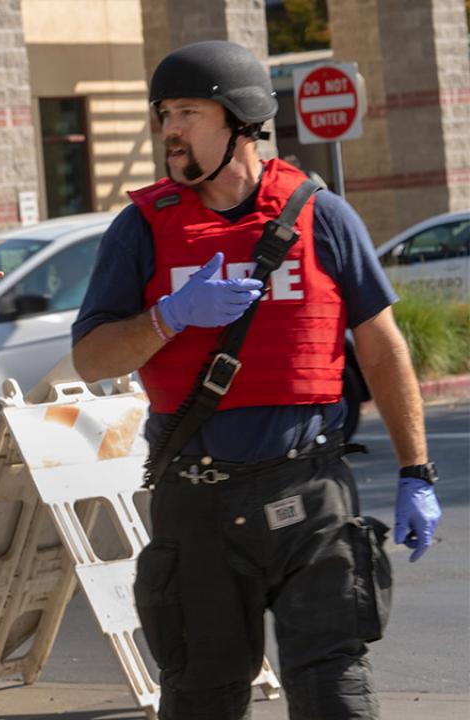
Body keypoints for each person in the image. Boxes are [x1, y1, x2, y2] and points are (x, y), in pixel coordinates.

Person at [71, 41, 441, 720]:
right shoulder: (141, 229)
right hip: (197, 502)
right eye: (163, 115)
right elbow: (92, 358)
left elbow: (382, 346)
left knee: (336, 693)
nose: (170, 130)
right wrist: (169, 316)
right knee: (202, 698)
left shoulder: (322, 215)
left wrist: (417, 470)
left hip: (311, 491)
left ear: (240, 120)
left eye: (187, 113)